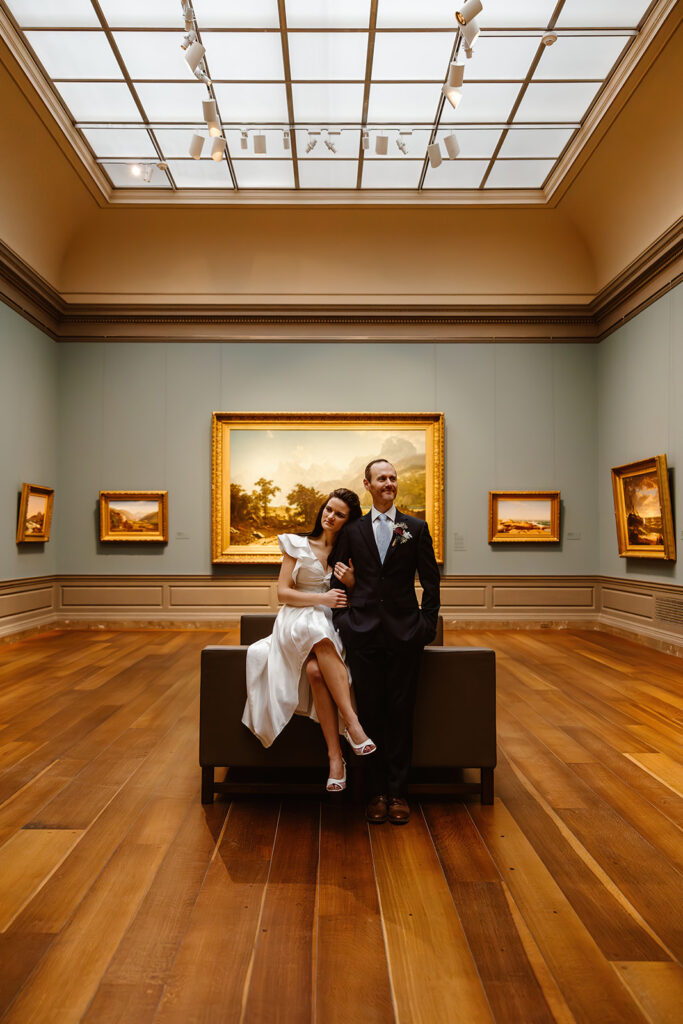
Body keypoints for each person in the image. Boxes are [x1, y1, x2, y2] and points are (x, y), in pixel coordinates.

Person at [242, 487, 376, 793]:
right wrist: (321, 597)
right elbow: (282, 593)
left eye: (339, 514)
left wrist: (352, 582)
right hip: (297, 616)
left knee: (316, 671)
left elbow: (362, 596)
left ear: (348, 521)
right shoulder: (297, 544)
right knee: (315, 629)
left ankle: (335, 759)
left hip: (333, 620)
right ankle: (354, 726)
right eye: (329, 509)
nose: (330, 517)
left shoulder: (349, 552)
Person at [330, 459, 440, 825]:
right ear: (368, 484)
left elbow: (431, 582)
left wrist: (426, 625)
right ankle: (375, 793)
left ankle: (398, 793)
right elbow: (337, 577)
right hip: (362, 634)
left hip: (406, 634)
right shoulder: (353, 530)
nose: (389, 483)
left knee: (401, 714)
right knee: (370, 714)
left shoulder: (415, 528)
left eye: (393, 478)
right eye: (382, 478)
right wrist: (344, 620)